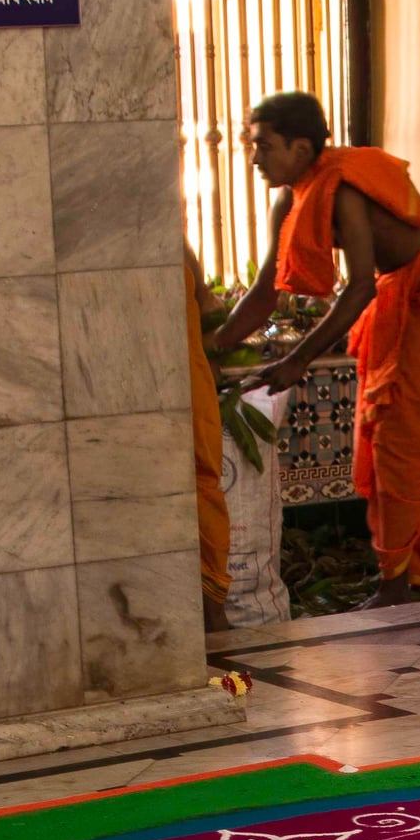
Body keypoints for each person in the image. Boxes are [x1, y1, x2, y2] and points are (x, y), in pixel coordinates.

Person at [212, 93, 420, 606]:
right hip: (397, 288)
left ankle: (396, 587)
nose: (254, 158)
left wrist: (297, 361)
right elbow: (267, 292)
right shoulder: (290, 199)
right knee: (383, 431)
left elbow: (358, 289)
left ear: (301, 147)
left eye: (264, 146)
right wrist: (210, 345)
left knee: (404, 437)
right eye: (252, 146)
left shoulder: (343, 191)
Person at [184, 247, 231, 634]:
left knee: (202, 483)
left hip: (190, 380)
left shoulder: (176, 242)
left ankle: (214, 612)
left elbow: (207, 308)